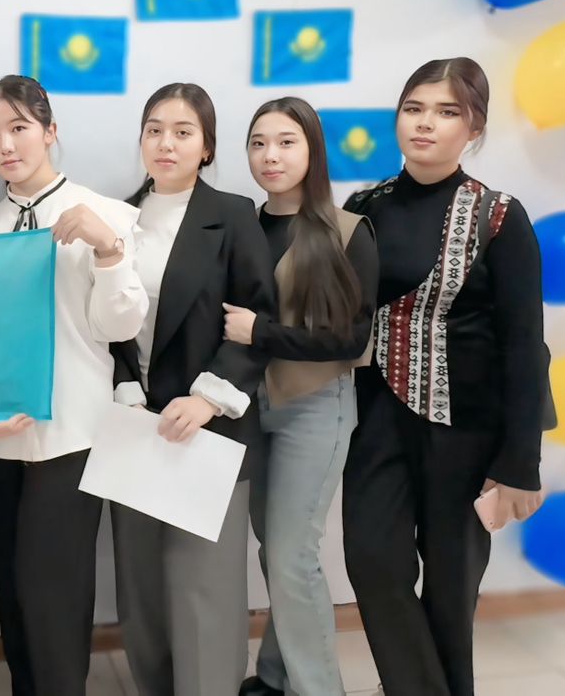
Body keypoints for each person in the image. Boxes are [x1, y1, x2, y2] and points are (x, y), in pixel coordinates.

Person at [340, 58, 545, 696]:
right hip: (376, 418)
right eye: (414, 108)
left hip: (469, 429)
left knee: (452, 590)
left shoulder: (500, 216)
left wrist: (520, 460)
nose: (425, 123)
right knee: (372, 561)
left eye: (447, 111)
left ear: (474, 128)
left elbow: (524, 344)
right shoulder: (363, 207)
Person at [0, 74, 148, 696]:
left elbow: (119, 326)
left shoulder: (107, 215)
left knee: (56, 596)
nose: (5, 145)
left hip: (72, 431)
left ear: (50, 131)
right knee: (14, 594)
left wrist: (108, 250)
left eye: (18, 128)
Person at [108, 83, 275, 696]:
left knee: (204, 586)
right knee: (141, 588)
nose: (166, 143)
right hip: (133, 425)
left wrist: (208, 398)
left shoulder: (232, 214)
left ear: (206, 147)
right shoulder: (117, 216)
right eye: (154, 129)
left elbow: (257, 318)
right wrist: (126, 387)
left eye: (183, 132)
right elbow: (104, 320)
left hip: (210, 426)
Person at [227, 97, 378, 696]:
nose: (271, 156)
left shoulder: (347, 231)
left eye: (286, 142)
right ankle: (274, 675)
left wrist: (262, 333)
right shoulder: (239, 224)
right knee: (277, 552)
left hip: (314, 405)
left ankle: (318, 689)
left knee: (293, 555)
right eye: (259, 143)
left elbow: (353, 339)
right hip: (245, 407)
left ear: (312, 150)